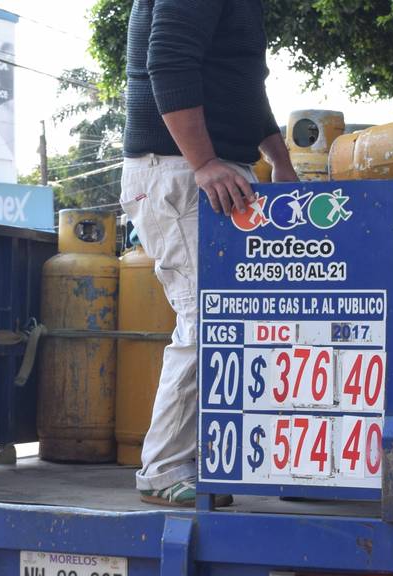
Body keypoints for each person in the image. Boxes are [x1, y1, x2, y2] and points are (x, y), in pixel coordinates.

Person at [119, 0, 298, 507]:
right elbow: (169, 60)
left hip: (210, 171)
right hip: (180, 170)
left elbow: (242, 84)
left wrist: (279, 162)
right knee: (207, 317)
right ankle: (164, 469)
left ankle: (207, 459)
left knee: (231, 320)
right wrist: (203, 163)